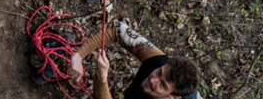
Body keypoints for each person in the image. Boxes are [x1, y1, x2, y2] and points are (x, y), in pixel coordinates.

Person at [70, 20, 202, 99]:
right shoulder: (158, 60)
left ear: (173, 97)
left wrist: (102, 78)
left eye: (162, 85)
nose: (153, 80)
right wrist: (79, 55)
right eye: (159, 72)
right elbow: (116, 28)